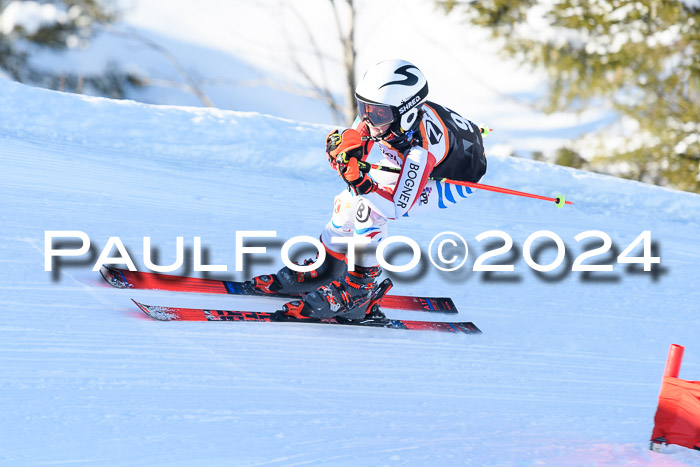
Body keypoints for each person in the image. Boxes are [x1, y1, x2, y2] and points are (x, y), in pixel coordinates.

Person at [251, 59, 487, 321]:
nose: (367, 118)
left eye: (378, 113)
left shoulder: (421, 152)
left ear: (405, 112)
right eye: (363, 107)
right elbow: (353, 151)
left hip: (448, 180)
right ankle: (327, 267)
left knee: (369, 210)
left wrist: (362, 182)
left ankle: (358, 292)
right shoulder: (383, 117)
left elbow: (396, 208)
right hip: (405, 155)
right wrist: (340, 155)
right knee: (346, 202)